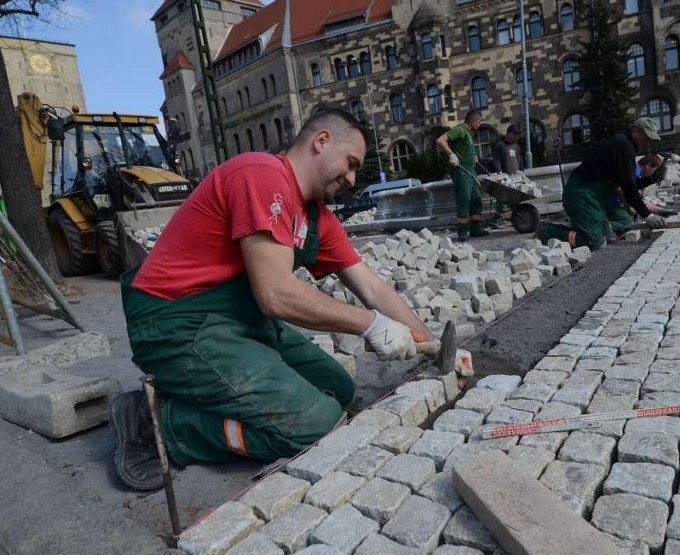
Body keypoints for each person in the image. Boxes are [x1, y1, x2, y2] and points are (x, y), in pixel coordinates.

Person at [110, 106, 436, 491]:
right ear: (321, 141)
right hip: (174, 323)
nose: (351, 179)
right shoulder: (260, 175)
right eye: (350, 164)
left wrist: (430, 341)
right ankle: (162, 424)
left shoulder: (316, 218)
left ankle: (204, 393)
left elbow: (373, 288)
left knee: (341, 390)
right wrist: (373, 325)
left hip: (236, 320)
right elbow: (275, 294)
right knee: (314, 425)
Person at [536, 117, 667, 249]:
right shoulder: (624, 146)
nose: (648, 142)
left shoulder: (626, 145)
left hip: (592, 200)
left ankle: (580, 227)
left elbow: (628, 183)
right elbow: (628, 188)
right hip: (581, 196)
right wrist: (647, 215)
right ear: (636, 130)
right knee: (595, 242)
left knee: (609, 236)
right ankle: (548, 231)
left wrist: (651, 179)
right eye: (647, 137)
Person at [436, 110, 489, 241]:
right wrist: (451, 155)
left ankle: (475, 229)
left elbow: (465, 148)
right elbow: (440, 141)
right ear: (473, 121)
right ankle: (462, 232)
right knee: (464, 200)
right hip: (461, 172)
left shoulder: (469, 134)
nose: (480, 125)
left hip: (471, 172)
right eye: (479, 122)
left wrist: (474, 156)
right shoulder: (459, 130)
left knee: (476, 200)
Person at [491, 124, 524, 221]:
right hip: (506, 176)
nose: (516, 137)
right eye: (515, 134)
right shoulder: (500, 145)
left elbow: (520, 160)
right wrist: (499, 172)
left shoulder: (516, 146)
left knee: (516, 198)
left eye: (517, 135)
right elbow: (497, 160)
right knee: (501, 198)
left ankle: (517, 216)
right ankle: (496, 219)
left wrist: (522, 172)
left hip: (516, 176)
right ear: (509, 134)